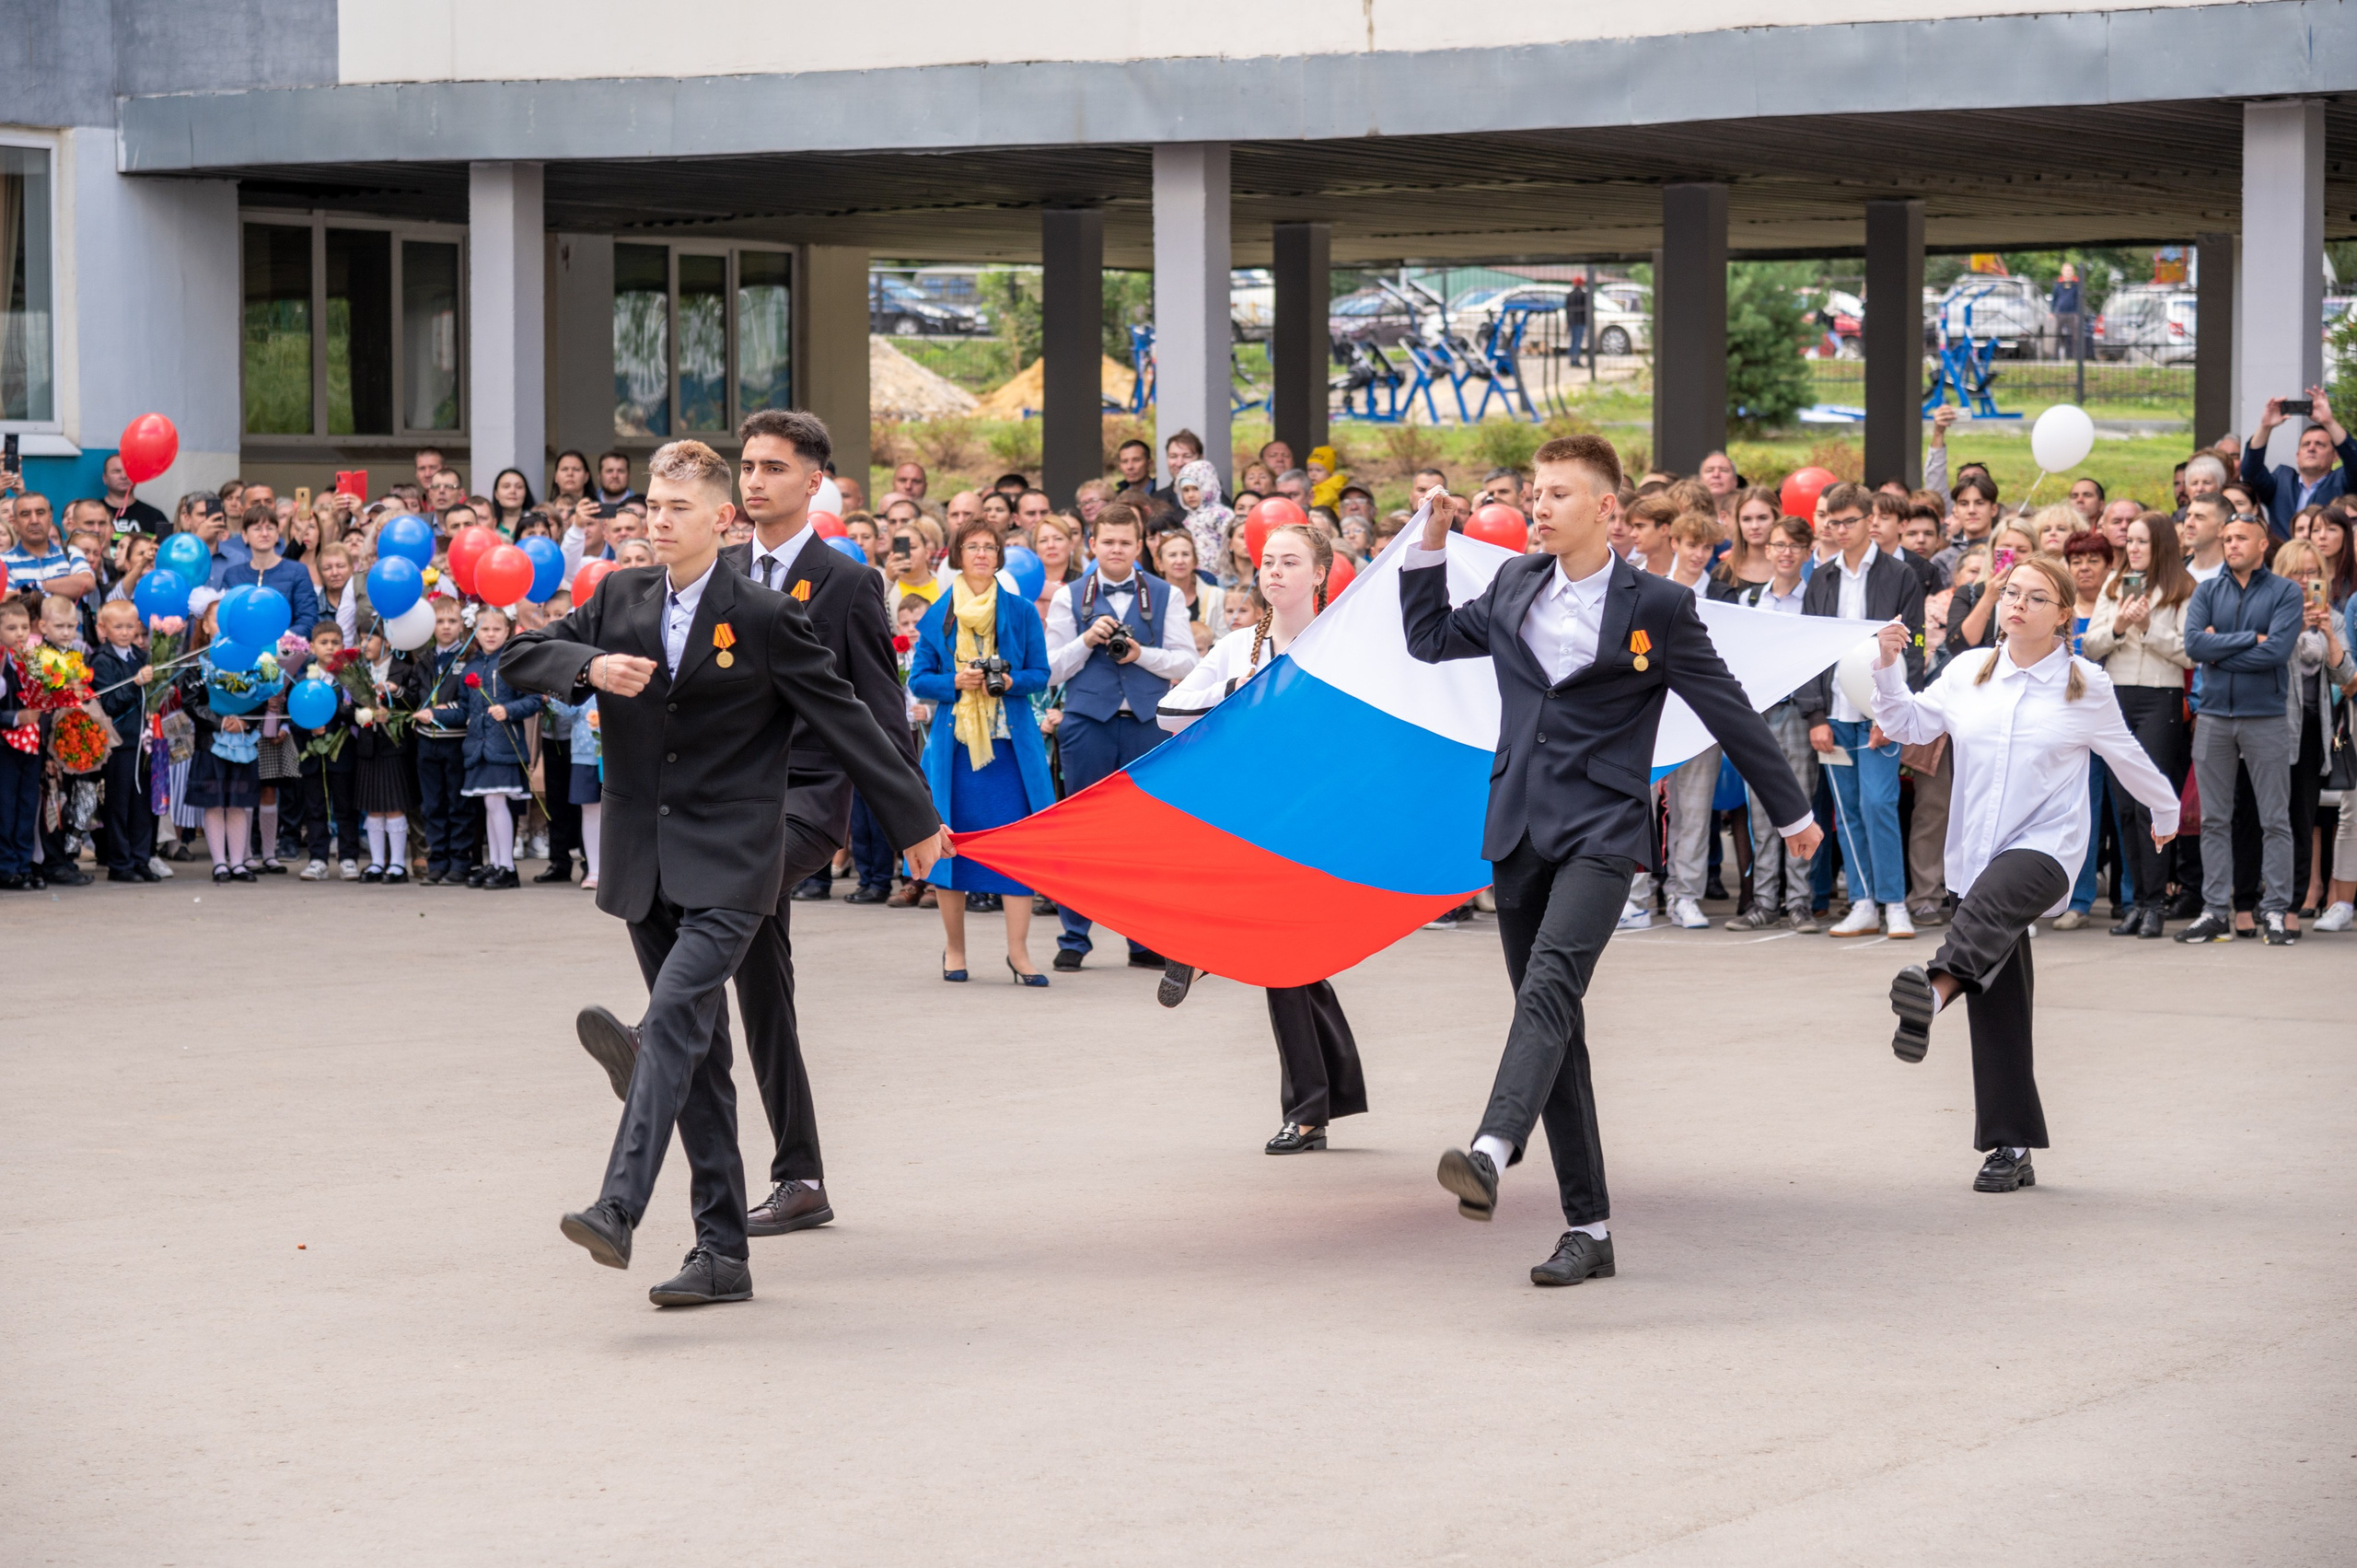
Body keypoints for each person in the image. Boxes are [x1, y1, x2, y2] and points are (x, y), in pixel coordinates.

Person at [505, 438, 945, 1308]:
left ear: (721, 521)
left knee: (668, 1025)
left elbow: (852, 720)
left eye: (675, 511)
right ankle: (722, 1250)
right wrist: (587, 667)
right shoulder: (619, 596)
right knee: (697, 1056)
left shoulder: (769, 616)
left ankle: (617, 1206)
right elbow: (519, 659)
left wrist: (917, 821)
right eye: (650, 511)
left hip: (737, 859)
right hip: (642, 861)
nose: (657, 524)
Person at [1399, 435, 1822, 1288]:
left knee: (1552, 985)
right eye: (1534, 493)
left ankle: (1490, 1145)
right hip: (1517, 823)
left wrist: (1795, 808)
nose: (1539, 507)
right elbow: (1429, 639)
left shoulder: (1658, 606)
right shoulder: (1515, 581)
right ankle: (1588, 1229)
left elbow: (1730, 710)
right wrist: (1431, 544)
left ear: (1607, 511)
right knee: (1554, 1026)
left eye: (1557, 494)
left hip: (1604, 826)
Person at [1874, 553, 2181, 1193]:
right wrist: (1884, 666)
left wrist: (2165, 808)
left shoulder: (2083, 681)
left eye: (2035, 597)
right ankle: (2010, 1147)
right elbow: (1905, 723)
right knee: (2001, 1004)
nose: (2017, 603)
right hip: (1974, 854)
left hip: (2047, 849)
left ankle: (1933, 989)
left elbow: (2125, 751)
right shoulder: (1965, 673)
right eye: (2012, 592)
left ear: (2063, 614)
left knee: (1983, 924)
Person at [715, 409, 919, 1239]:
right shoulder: (718, 570)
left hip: (803, 801)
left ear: (812, 481)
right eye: (748, 465)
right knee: (764, 993)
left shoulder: (845, 581)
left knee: (727, 896)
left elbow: (878, 707)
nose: (754, 479)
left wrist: (913, 819)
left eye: (772, 466)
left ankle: (652, 1029)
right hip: (726, 799)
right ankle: (801, 1178)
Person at [1156, 521, 1366, 1154]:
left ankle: (1205, 942)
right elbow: (1169, 713)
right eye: (1267, 561)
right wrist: (1232, 695)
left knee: (1296, 961)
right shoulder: (1239, 646)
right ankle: (1314, 1104)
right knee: (1290, 961)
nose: (1274, 572)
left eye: (1290, 561)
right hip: (1257, 820)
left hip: (1322, 823)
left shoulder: (1345, 647)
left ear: (1320, 572)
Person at [1043, 502, 1199, 970]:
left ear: (1140, 547)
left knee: (1146, 834)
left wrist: (1140, 655)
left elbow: (1188, 663)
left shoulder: (1165, 594)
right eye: (1107, 542)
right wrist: (1087, 640)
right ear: (1092, 544)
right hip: (1086, 723)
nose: (1116, 550)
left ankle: (1144, 939)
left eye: (1125, 543)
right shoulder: (1071, 596)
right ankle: (1073, 936)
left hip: (1147, 726)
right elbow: (1050, 671)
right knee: (1079, 833)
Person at [910, 517, 1055, 984]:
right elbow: (918, 680)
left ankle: (1019, 953)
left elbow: (1041, 674)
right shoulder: (939, 614)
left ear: (998, 555)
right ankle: (955, 950)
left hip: (1010, 750)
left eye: (989, 547)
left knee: (1016, 849)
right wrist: (955, 681)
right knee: (952, 847)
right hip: (956, 754)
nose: (980, 554)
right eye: (971, 547)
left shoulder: (1021, 611)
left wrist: (1010, 681)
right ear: (957, 554)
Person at [1802, 482, 1926, 939]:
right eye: (1832, 523)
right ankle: (1862, 901)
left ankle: (1894, 902)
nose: (1840, 530)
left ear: (1870, 520)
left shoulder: (1899, 575)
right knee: (1847, 809)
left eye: (1848, 521)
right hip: (1833, 711)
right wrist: (1814, 715)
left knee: (1880, 803)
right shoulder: (1822, 577)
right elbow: (1810, 650)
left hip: (1880, 712)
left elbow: (1914, 648)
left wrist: (1890, 712)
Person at [2177, 513, 2305, 944]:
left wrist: (2221, 649)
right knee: (2214, 819)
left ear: (2263, 544)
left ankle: (2274, 910)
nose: (2231, 544)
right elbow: (2194, 645)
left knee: (2275, 819)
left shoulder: (2287, 592)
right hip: (2213, 716)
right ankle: (2215, 911)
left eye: (2241, 538)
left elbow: (2279, 652)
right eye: (2227, 537)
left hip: (2266, 716)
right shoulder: (2207, 590)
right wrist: (2252, 639)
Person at [2080, 512, 2196, 936]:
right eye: (2128, 541)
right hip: (2116, 696)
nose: (2132, 548)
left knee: (2150, 801)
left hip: (2159, 698)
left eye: (2141, 542)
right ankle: (2136, 902)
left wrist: (2148, 628)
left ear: (2160, 544)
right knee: (2124, 806)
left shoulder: (2182, 589)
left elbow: (2190, 652)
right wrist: (2119, 626)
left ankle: (2156, 905)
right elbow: (2090, 646)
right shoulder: (2114, 586)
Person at [1724, 517, 1821, 931]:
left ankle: (1799, 902)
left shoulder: (1814, 600)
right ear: (1768, 550)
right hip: (1758, 715)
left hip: (1796, 713)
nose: (1785, 553)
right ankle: (1764, 900)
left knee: (1799, 806)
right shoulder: (1750, 602)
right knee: (1761, 810)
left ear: (1805, 553)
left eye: (1794, 547)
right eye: (1779, 545)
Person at [2049, 530, 2131, 926]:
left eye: (2093, 560)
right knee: (2082, 814)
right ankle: (2078, 901)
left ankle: (2131, 898)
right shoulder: (2058, 611)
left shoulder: (2122, 606)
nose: (2084, 568)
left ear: (2109, 564)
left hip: (2117, 721)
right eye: (2076, 560)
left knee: (2127, 811)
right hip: (2071, 728)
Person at [429, 603, 538, 889]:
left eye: (496, 629)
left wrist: (509, 710)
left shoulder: (513, 662)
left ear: (508, 630)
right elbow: (464, 709)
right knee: (490, 805)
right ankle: (496, 863)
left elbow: (533, 700)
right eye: (484, 629)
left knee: (496, 802)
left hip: (504, 745)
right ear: (474, 632)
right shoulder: (473, 666)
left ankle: (508, 868)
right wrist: (435, 714)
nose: (490, 634)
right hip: (478, 747)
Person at [88, 600, 161, 882]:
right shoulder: (101, 659)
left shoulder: (140, 656)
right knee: (119, 804)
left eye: (130, 626)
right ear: (103, 629)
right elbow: (109, 703)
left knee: (143, 804)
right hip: (120, 743)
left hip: (144, 740)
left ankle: (141, 858)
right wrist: (135, 684)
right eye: (117, 626)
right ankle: (120, 863)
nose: (125, 632)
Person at [412, 598, 478, 884]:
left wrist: (436, 713)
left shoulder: (467, 660)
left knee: (457, 805)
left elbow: (466, 707)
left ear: (462, 625)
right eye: (440, 622)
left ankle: (460, 863)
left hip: (455, 743)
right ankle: (437, 861)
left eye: (452, 621)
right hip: (427, 743)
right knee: (431, 805)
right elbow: (414, 695)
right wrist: (395, 692)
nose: (446, 627)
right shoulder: (425, 660)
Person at [350, 626, 420, 885]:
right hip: (368, 747)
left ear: (388, 642)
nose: (363, 644)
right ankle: (377, 862)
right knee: (373, 808)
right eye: (360, 639)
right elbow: (348, 708)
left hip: (395, 746)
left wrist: (394, 700)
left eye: (369, 638)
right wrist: (359, 709)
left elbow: (415, 702)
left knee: (393, 805)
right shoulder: (357, 672)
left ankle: (398, 865)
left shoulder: (404, 670)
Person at [2240, 388, 2355, 537]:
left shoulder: (2343, 482)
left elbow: (2354, 460)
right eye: (2306, 444)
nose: (2312, 448)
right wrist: (2265, 427)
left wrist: (2329, 422)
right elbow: (2250, 472)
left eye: (2320, 444)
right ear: (2297, 455)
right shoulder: (2280, 482)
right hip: (2283, 557)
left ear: (2335, 457)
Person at [0, 598, 42, 889]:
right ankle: (7, 866)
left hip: (32, 745)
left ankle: (25, 864)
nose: (20, 634)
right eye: (11, 627)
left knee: (28, 805)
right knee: (6, 807)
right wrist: (16, 717)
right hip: (5, 746)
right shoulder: (3, 665)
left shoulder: (35, 661)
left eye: (24, 627)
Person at [1714, 487, 1780, 588]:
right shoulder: (1723, 573)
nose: (1755, 526)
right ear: (1739, 523)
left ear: (1775, 519)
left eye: (1762, 518)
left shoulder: (1793, 570)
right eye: (1747, 519)